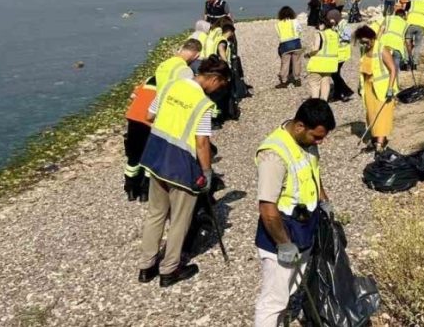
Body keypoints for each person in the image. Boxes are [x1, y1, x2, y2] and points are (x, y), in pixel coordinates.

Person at [137, 57, 230, 287]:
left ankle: (146, 267)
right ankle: (169, 269)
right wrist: (207, 172)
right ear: (214, 79)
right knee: (179, 220)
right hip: (181, 166)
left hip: (156, 157)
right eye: (221, 85)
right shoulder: (202, 104)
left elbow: (149, 116)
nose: (219, 89)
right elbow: (201, 144)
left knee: (155, 214)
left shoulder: (171, 86)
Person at [253, 99, 336, 327]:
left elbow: (313, 173)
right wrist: (283, 244)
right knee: (274, 300)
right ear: (300, 126)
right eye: (317, 136)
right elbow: (267, 207)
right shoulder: (273, 154)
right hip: (281, 232)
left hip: (304, 228)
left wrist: (323, 201)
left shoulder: (307, 143)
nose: (320, 142)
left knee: (290, 287)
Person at [123, 39, 203, 202]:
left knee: (133, 157)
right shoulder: (184, 71)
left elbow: (134, 96)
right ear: (197, 55)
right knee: (150, 157)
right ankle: (146, 192)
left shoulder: (162, 67)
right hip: (157, 118)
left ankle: (131, 189)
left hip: (136, 118)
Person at [355, 25, 398, 151]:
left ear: (372, 38)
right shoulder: (364, 50)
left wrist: (390, 88)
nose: (364, 45)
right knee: (372, 115)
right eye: (361, 43)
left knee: (382, 115)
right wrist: (360, 85)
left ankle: (380, 144)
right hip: (369, 87)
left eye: (366, 42)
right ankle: (375, 138)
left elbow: (393, 69)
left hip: (383, 89)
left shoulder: (381, 49)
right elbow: (363, 70)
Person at [305, 10, 341, 100]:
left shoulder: (320, 34)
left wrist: (308, 54)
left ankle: (315, 103)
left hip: (317, 64)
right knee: (326, 83)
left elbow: (316, 48)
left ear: (322, 24)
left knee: (315, 84)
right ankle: (324, 102)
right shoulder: (335, 34)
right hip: (330, 64)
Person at [275, 6, 305, 89]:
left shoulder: (278, 24)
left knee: (285, 63)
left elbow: (278, 34)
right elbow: (300, 30)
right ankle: (297, 79)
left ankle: (284, 81)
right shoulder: (295, 21)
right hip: (296, 43)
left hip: (285, 45)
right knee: (297, 62)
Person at [329, 10, 355, 102]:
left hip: (343, 53)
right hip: (338, 53)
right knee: (335, 74)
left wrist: (336, 35)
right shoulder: (336, 25)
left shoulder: (345, 25)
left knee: (334, 74)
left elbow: (347, 37)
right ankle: (338, 94)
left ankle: (346, 92)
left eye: (331, 19)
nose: (331, 21)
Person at [405, 0, 424, 68]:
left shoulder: (410, 3)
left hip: (410, 25)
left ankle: (407, 62)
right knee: (418, 45)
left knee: (407, 44)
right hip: (421, 26)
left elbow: (405, 14)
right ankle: (415, 63)